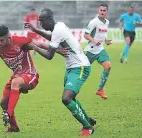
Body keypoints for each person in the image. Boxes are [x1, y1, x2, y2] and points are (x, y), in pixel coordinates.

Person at [0, 25, 69, 133]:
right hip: (17, 76)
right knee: (3, 103)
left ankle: (9, 113)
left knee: (15, 83)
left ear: (9, 37)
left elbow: (38, 44)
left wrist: (58, 51)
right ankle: (13, 127)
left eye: (1, 40)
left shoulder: (19, 41)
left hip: (30, 74)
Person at [25, 8, 96, 136]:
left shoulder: (58, 30)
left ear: (50, 19)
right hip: (71, 67)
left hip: (80, 67)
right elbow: (52, 37)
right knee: (71, 97)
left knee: (66, 98)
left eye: (42, 21)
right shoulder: (59, 26)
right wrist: (35, 31)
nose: (41, 24)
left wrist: (34, 46)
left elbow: (49, 55)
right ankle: (88, 120)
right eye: (39, 21)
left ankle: (88, 127)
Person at [83, 4, 112, 99]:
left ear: (107, 12)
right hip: (90, 50)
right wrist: (95, 41)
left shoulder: (107, 22)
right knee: (81, 70)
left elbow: (102, 34)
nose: (102, 12)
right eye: (101, 10)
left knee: (108, 67)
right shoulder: (93, 22)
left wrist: (106, 41)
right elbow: (86, 35)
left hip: (100, 50)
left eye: (104, 10)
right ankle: (71, 87)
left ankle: (100, 90)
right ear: (98, 11)